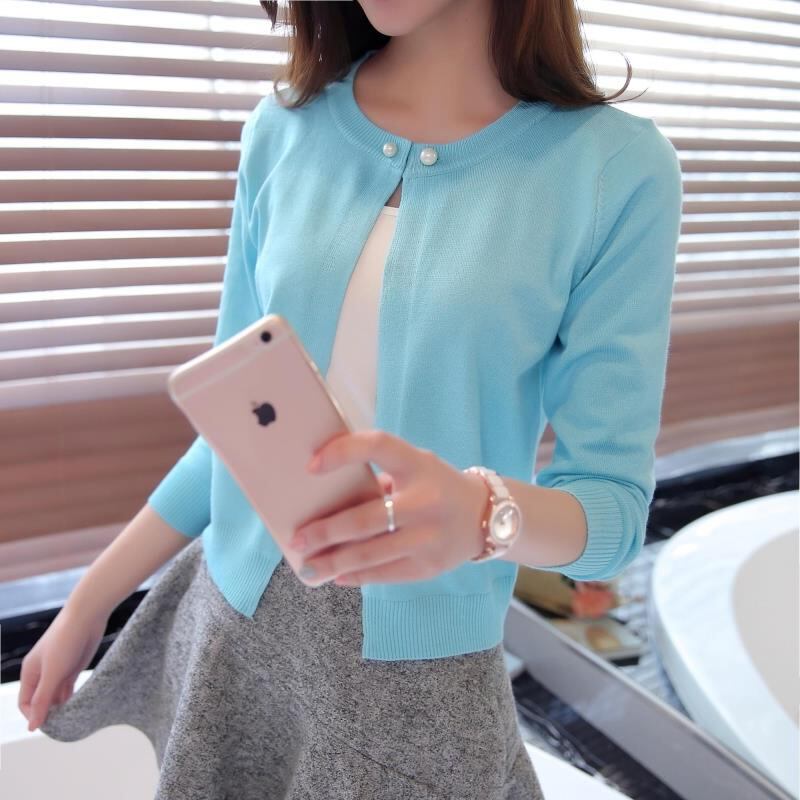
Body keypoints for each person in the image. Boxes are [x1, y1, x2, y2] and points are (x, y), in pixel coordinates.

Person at [18, 1, 683, 798]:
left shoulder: (613, 169)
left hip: (417, 691)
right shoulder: (283, 128)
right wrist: (89, 602)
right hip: (230, 630)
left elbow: (611, 515)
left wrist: (481, 515)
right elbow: (233, 428)